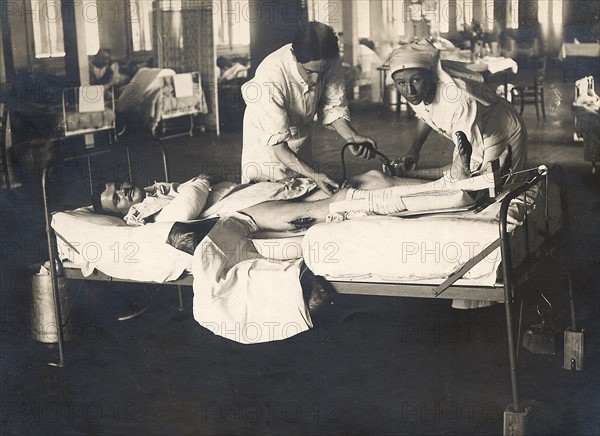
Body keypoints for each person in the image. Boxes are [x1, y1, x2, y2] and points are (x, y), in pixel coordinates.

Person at [92, 137, 494, 232]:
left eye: (117, 185)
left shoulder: (161, 188)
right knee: (346, 202)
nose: (121, 191)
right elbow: (188, 209)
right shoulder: (150, 217)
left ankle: (449, 179)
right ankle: (453, 197)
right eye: (114, 199)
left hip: (251, 193)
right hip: (243, 214)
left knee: (369, 177)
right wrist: (199, 180)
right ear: (122, 211)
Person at [240, 21, 377, 195]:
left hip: (300, 143)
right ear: (294, 55)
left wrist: (351, 136)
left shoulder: (331, 60)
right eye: (309, 71)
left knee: (303, 193)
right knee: (272, 197)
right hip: (267, 151)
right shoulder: (269, 77)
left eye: (322, 72)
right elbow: (279, 148)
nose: (315, 80)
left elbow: (333, 106)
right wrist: (314, 175)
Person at [392, 40, 527, 179]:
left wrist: (410, 175)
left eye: (416, 80)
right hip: (477, 128)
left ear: (431, 76)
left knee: (484, 183)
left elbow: (463, 169)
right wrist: (414, 150)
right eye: (401, 83)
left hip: (501, 130)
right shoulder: (417, 94)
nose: (409, 90)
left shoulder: (458, 101)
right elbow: (426, 115)